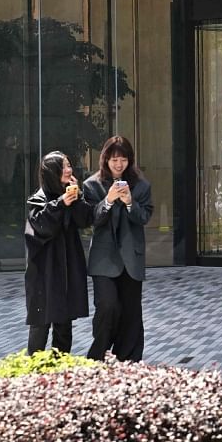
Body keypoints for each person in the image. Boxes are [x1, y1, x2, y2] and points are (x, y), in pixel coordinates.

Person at [82, 136, 154, 361]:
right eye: (114, 160)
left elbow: (144, 217)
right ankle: (98, 354)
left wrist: (130, 202)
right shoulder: (92, 185)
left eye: (123, 159)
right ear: (105, 160)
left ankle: (128, 359)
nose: (119, 164)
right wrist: (109, 200)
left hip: (131, 258)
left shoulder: (141, 185)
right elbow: (92, 219)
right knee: (108, 307)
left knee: (132, 312)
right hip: (104, 259)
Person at [23, 151, 91, 354]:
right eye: (63, 166)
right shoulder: (38, 199)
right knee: (40, 323)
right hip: (44, 272)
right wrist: (62, 202)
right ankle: (34, 372)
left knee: (64, 323)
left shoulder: (71, 194)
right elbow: (41, 227)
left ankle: (60, 372)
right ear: (52, 172)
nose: (68, 170)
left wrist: (77, 198)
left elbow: (85, 220)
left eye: (69, 165)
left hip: (66, 269)